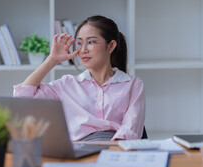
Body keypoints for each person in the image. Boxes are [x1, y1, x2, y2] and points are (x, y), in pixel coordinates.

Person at [13, 15, 145, 141]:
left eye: (91, 42)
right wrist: (51, 60)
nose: (83, 50)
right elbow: (23, 100)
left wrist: (108, 153)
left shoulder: (132, 84)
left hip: (116, 151)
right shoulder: (66, 85)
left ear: (110, 46)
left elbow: (131, 129)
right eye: (79, 43)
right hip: (78, 152)